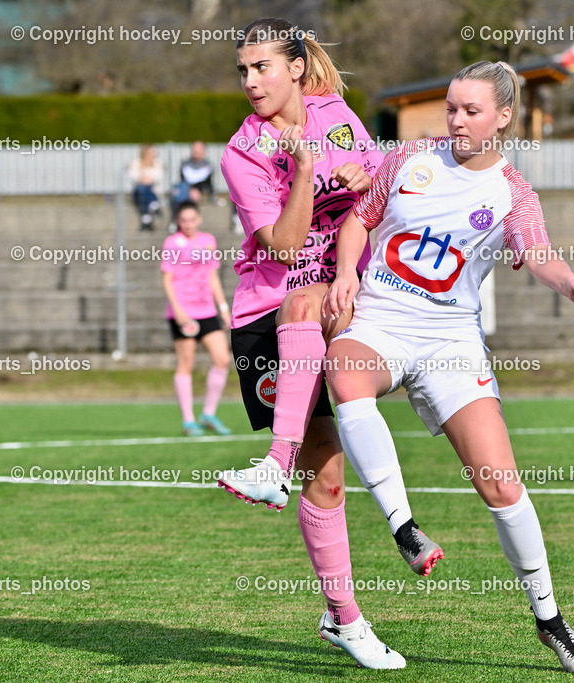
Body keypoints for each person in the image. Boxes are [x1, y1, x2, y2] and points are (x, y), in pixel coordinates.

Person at [321, 61, 574, 675]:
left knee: (500, 483)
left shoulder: (513, 191)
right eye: (451, 107)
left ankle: (550, 618)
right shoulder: (409, 159)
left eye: (470, 110)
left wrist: (570, 283)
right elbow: (357, 219)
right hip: (382, 323)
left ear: (503, 118)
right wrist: (346, 273)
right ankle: (405, 530)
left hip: (451, 343)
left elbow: (540, 253)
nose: (456, 120)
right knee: (343, 368)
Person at [215, 17, 402, 669]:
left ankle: (272, 465)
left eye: (261, 66)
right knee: (324, 473)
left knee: (315, 304)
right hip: (266, 320)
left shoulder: (335, 112)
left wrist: (362, 187)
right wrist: (305, 172)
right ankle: (344, 617)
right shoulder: (243, 151)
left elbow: (382, 197)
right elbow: (286, 245)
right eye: (242, 70)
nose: (250, 80)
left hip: (332, 302)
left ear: (296, 67)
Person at [161, 200, 232, 436]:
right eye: (183, 221)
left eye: (192, 220)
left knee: (222, 359)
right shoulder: (172, 243)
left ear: (198, 219)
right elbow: (167, 279)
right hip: (183, 312)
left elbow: (212, 275)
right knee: (186, 363)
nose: (188, 224)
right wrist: (178, 310)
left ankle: (208, 413)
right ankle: (188, 420)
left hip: (207, 310)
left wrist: (222, 306)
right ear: (177, 222)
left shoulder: (208, 241)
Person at [129, 144, 164, 231]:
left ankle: (146, 216)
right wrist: (144, 179)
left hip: (153, 191)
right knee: (143, 188)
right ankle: (153, 205)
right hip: (139, 193)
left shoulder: (157, 164)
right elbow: (133, 176)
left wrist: (145, 179)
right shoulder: (136, 163)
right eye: (152, 152)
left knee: (146, 188)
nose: (154, 154)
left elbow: (158, 177)